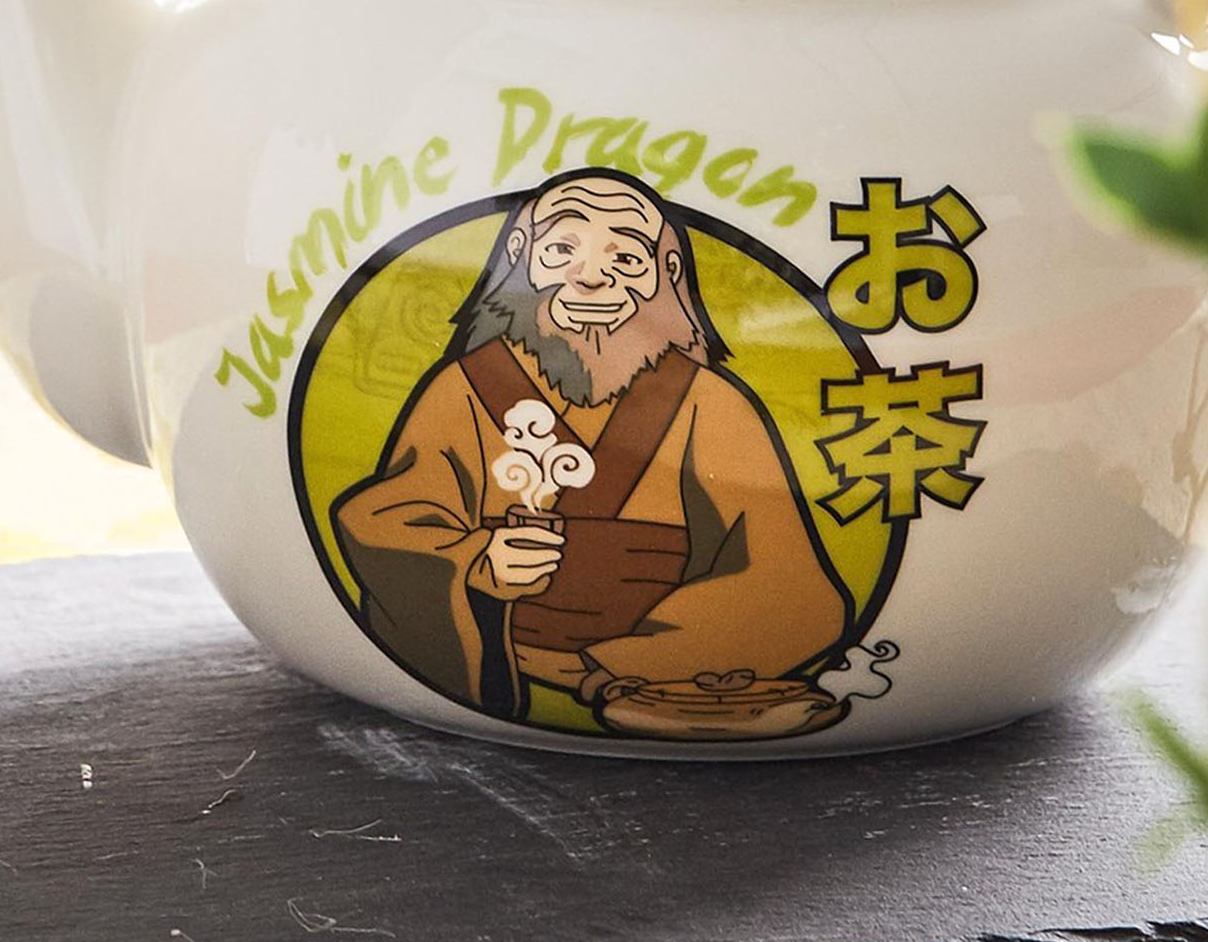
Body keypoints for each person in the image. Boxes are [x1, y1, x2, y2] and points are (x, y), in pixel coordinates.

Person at [332, 169, 848, 729]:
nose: (592, 278)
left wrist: (621, 665)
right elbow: (384, 523)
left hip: (645, 680)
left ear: (667, 273)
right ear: (519, 255)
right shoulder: (465, 389)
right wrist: (479, 563)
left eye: (625, 258)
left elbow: (793, 588)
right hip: (509, 660)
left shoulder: (710, 403)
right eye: (561, 250)